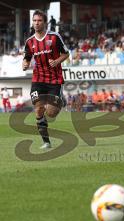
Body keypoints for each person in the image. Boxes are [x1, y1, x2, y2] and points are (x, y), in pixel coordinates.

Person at [22, 9, 69, 149]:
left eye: (39, 21)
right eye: (34, 21)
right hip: (38, 79)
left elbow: (66, 54)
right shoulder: (29, 42)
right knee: (38, 109)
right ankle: (46, 142)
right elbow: (27, 57)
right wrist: (25, 64)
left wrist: (57, 61)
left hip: (54, 79)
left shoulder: (54, 37)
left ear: (45, 22)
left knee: (51, 113)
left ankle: (61, 100)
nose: (36, 23)